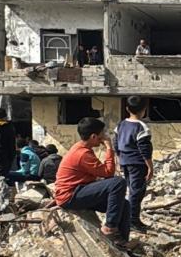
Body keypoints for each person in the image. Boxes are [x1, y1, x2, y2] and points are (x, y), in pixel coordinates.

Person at [54, 117, 131, 247]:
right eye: (103, 134)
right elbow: (108, 173)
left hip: (79, 191)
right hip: (71, 195)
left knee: (125, 205)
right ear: (94, 136)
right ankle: (110, 227)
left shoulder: (81, 148)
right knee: (118, 182)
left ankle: (120, 243)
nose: (105, 136)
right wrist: (109, 148)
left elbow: (103, 175)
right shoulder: (83, 154)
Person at [115, 96, 154, 232]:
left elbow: (116, 144)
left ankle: (131, 219)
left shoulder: (120, 125)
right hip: (137, 164)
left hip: (125, 162)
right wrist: (150, 166)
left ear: (127, 109)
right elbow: (145, 150)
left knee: (132, 190)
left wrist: (119, 159)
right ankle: (132, 221)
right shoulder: (142, 127)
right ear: (144, 110)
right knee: (136, 193)